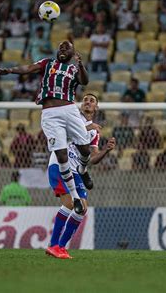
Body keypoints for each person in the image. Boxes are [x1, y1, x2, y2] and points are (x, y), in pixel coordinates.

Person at [0, 41, 92, 215]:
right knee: (61, 155)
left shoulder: (74, 69)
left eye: (66, 48)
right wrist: (9, 70)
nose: (62, 49)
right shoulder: (47, 64)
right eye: (60, 47)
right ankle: (75, 197)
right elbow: (28, 68)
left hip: (69, 109)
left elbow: (85, 81)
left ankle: (83, 170)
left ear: (72, 53)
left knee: (85, 150)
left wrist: (81, 64)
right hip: (50, 114)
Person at [46, 93, 116, 259]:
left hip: (76, 171)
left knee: (81, 209)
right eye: (85, 100)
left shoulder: (95, 132)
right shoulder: (72, 117)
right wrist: (85, 128)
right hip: (60, 164)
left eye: (92, 101)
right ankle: (54, 244)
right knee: (70, 203)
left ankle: (60, 247)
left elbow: (92, 159)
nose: (88, 102)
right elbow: (61, 135)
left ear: (96, 107)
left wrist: (106, 150)